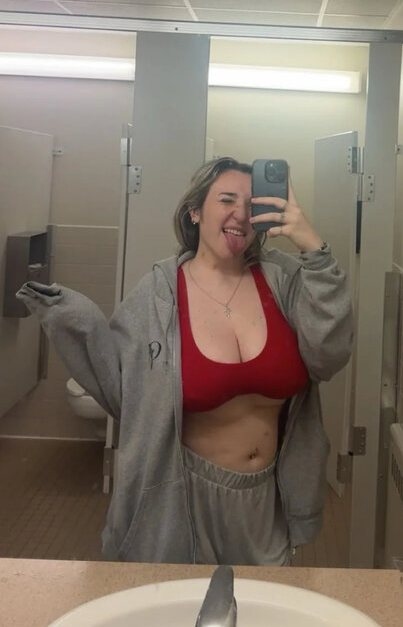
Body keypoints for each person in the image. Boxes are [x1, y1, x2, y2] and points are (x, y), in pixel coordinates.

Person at [17, 157, 353, 565]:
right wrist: (76, 321)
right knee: (178, 602)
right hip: (181, 498)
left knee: (258, 602)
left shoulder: (283, 280)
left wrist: (314, 248)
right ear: (195, 211)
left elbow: (330, 356)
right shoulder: (160, 294)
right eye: (226, 200)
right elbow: (123, 389)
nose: (240, 214)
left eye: (251, 205)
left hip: (267, 501)